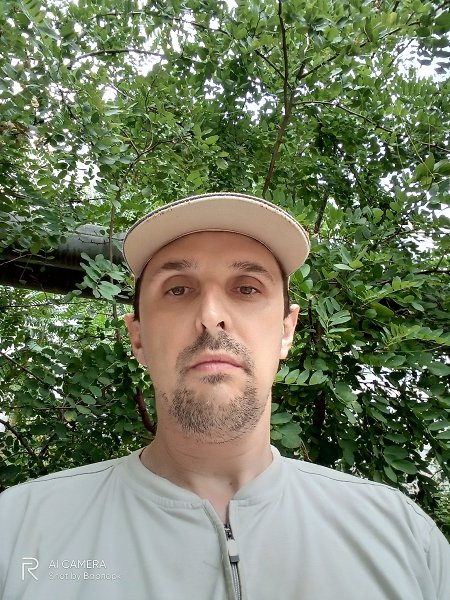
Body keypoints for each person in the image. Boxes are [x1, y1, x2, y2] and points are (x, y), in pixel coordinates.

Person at [0, 192, 448, 600]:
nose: (211, 315)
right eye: (178, 289)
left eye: (247, 288)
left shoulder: (405, 538)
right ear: (137, 336)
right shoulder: (19, 532)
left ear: (287, 331)